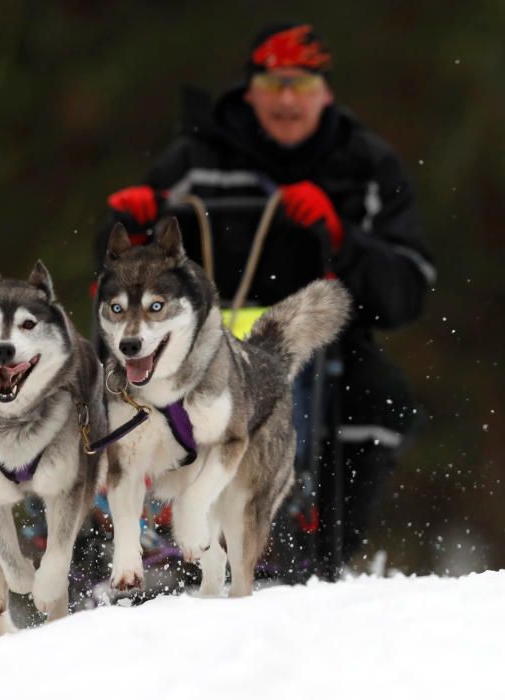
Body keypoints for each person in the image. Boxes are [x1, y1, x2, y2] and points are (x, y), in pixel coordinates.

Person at [96, 23, 435, 571]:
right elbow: (116, 276)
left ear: (324, 92)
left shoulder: (367, 166)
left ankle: (320, 548)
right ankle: (112, 528)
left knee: (380, 400)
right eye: (273, 83)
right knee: (106, 375)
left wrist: (341, 237)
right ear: (250, 89)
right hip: (188, 338)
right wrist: (130, 223)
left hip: (320, 343)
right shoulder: (196, 160)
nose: (286, 99)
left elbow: (406, 290)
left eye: (300, 85)